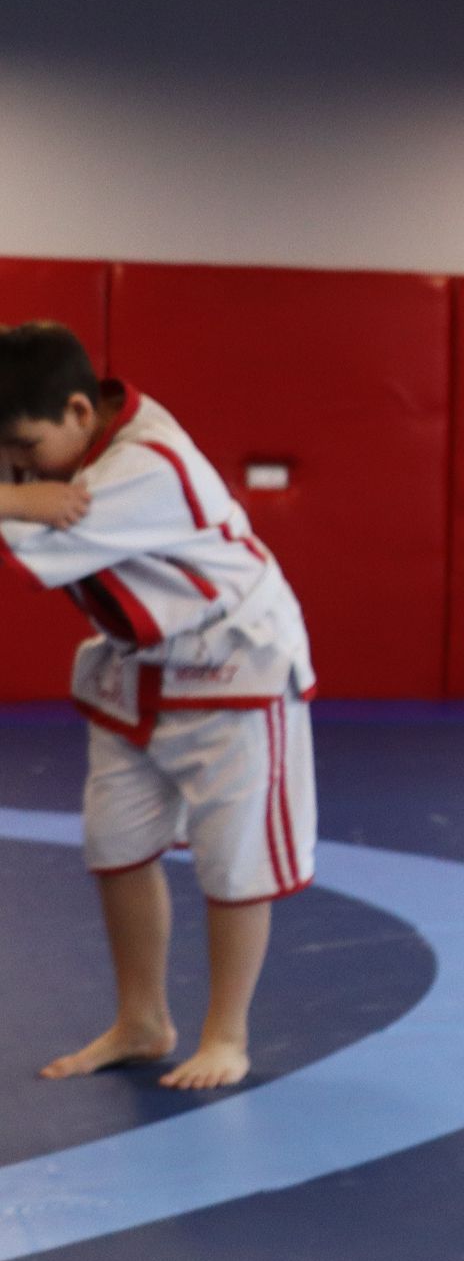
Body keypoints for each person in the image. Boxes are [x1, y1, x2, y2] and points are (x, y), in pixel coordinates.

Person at [0, 321, 319, 1092]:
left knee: (233, 858)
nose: (19, 467)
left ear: (81, 412)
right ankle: (142, 1021)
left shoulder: (147, 467)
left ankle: (227, 1036)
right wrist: (15, 491)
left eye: (25, 450)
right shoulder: (52, 445)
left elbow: (26, 534)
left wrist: (15, 499)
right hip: (137, 663)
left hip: (232, 661)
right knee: (114, 843)